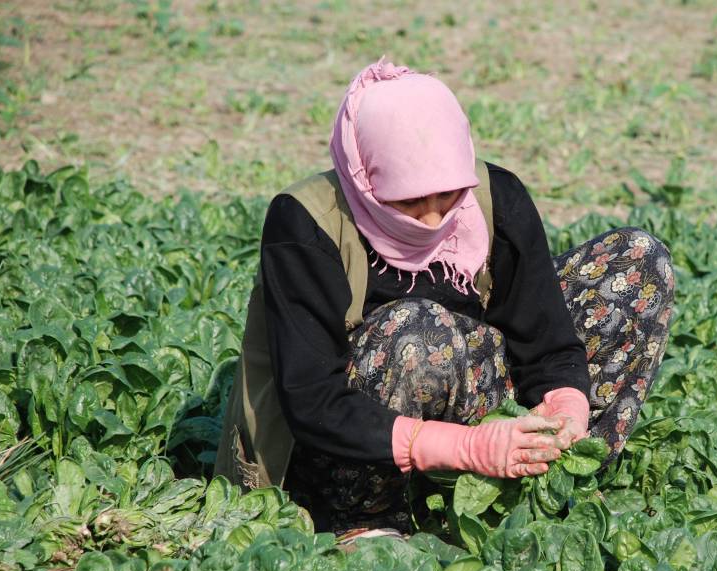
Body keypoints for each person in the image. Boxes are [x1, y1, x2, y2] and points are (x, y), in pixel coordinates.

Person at [214, 59, 675, 535]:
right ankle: (365, 518)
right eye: (409, 202)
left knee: (637, 260)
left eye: (449, 196)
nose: (433, 221)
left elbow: (547, 340)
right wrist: (464, 448)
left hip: (468, 398)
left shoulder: (495, 197)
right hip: (346, 445)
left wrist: (565, 401)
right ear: (366, 177)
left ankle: (550, 482)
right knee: (415, 329)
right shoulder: (306, 224)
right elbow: (312, 400)